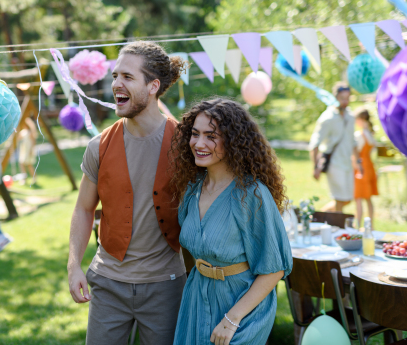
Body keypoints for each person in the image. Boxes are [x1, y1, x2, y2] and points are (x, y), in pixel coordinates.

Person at [67, 41, 188, 345]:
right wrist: (73, 266)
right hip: (108, 284)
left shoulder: (186, 145)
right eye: (115, 76)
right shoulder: (99, 146)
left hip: (166, 286)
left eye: (128, 77)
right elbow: (83, 209)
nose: (116, 84)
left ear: (153, 86)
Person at [170, 98, 292, 345]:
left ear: (233, 141)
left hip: (240, 306)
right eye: (195, 134)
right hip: (197, 297)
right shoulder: (192, 189)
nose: (199, 143)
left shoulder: (252, 194)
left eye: (210, 136)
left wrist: (232, 318)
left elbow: (274, 269)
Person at [309, 82, 363, 212]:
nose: (345, 101)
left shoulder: (350, 116)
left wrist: (358, 162)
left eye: (347, 98)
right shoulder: (327, 118)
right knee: (339, 199)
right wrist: (315, 167)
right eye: (342, 98)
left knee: (347, 199)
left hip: (347, 164)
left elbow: (353, 142)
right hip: (334, 164)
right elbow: (314, 144)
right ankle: (339, 228)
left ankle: (320, 215)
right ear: (335, 98)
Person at [354, 107, 378, 226]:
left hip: (360, 168)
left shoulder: (359, 135)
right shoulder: (371, 134)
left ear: (361, 119)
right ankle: (371, 225)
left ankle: (358, 225)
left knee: (358, 198)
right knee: (368, 198)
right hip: (369, 167)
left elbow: (355, 153)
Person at [18, 117, 37, 185]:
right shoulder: (23, 132)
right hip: (23, 150)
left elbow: (33, 142)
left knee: (29, 164)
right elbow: (18, 138)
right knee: (22, 163)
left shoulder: (30, 132)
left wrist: (31, 151)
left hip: (28, 150)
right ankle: (24, 178)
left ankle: (34, 177)